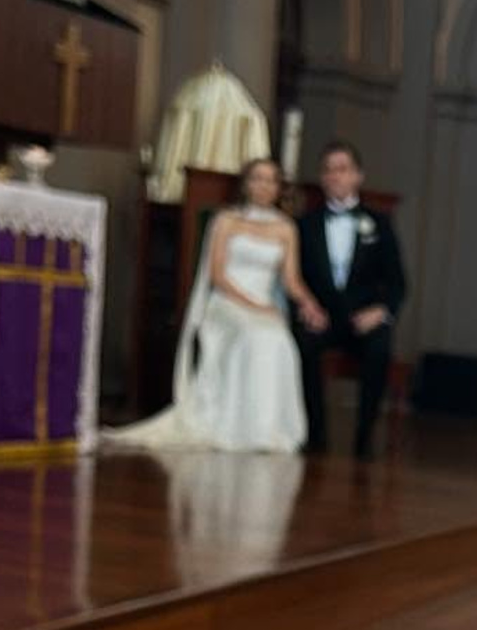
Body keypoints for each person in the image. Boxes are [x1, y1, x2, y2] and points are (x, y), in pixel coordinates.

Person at [107, 158, 319, 454]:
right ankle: (238, 428)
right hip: (228, 302)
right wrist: (253, 306)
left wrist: (310, 304)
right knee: (254, 335)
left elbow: (291, 279)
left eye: (271, 180)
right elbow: (218, 275)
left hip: (264, 307)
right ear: (246, 184)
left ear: (279, 187)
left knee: (278, 340)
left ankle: (270, 429)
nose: (264, 185)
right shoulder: (226, 221)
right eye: (257, 178)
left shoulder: (286, 228)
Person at [295, 142, 409, 459]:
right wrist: (306, 306)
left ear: (358, 176)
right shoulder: (305, 224)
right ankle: (315, 435)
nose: (335, 176)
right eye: (328, 170)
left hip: (364, 317)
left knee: (379, 348)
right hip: (324, 317)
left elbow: (398, 282)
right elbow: (294, 275)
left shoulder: (380, 224)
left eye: (342, 169)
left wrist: (381, 311)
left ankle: (364, 439)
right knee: (303, 344)